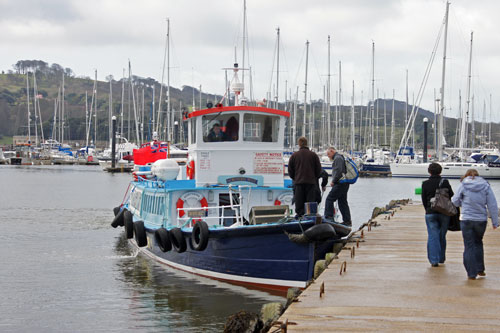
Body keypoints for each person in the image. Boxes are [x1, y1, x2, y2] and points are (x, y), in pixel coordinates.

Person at [451, 169, 498, 280]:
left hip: (466, 219)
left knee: (468, 246)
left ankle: (471, 273)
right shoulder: (485, 185)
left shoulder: (463, 185)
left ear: (466, 175)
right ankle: (480, 269)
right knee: (478, 243)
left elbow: (455, 201)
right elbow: (492, 204)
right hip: (481, 220)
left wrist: (462, 202)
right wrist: (495, 221)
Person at [421, 162, 454, 267]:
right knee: (442, 235)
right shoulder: (445, 182)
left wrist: (427, 209)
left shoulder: (425, 183)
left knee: (432, 236)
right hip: (444, 212)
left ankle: (433, 260)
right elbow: (451, 195)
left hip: (430, 212)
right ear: (440, 171)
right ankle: (441, 258)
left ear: (429, 171)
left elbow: (423, 199)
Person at [287, 136, 322, 217]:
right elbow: (319, 170)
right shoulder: (314, 155)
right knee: (310, 204)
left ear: (299, 144)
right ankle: (310, 218)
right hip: (311, 183)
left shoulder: (294, 156)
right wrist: (314, 177)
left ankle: (300, 217)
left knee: (299, 203)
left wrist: (295, 178)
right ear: (307, 144)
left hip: (299, 183)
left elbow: (290, 171)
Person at [324, 147, 351, 226]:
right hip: (344, 183)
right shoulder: (340, 157)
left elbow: (339, 171)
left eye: (328, 154)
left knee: (329, 199)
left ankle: (329, 217)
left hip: (340, 183)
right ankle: (347, 220)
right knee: (342, 202)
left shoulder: (338, 158)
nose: (328, 156)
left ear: (332, 151)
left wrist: (333, 181)